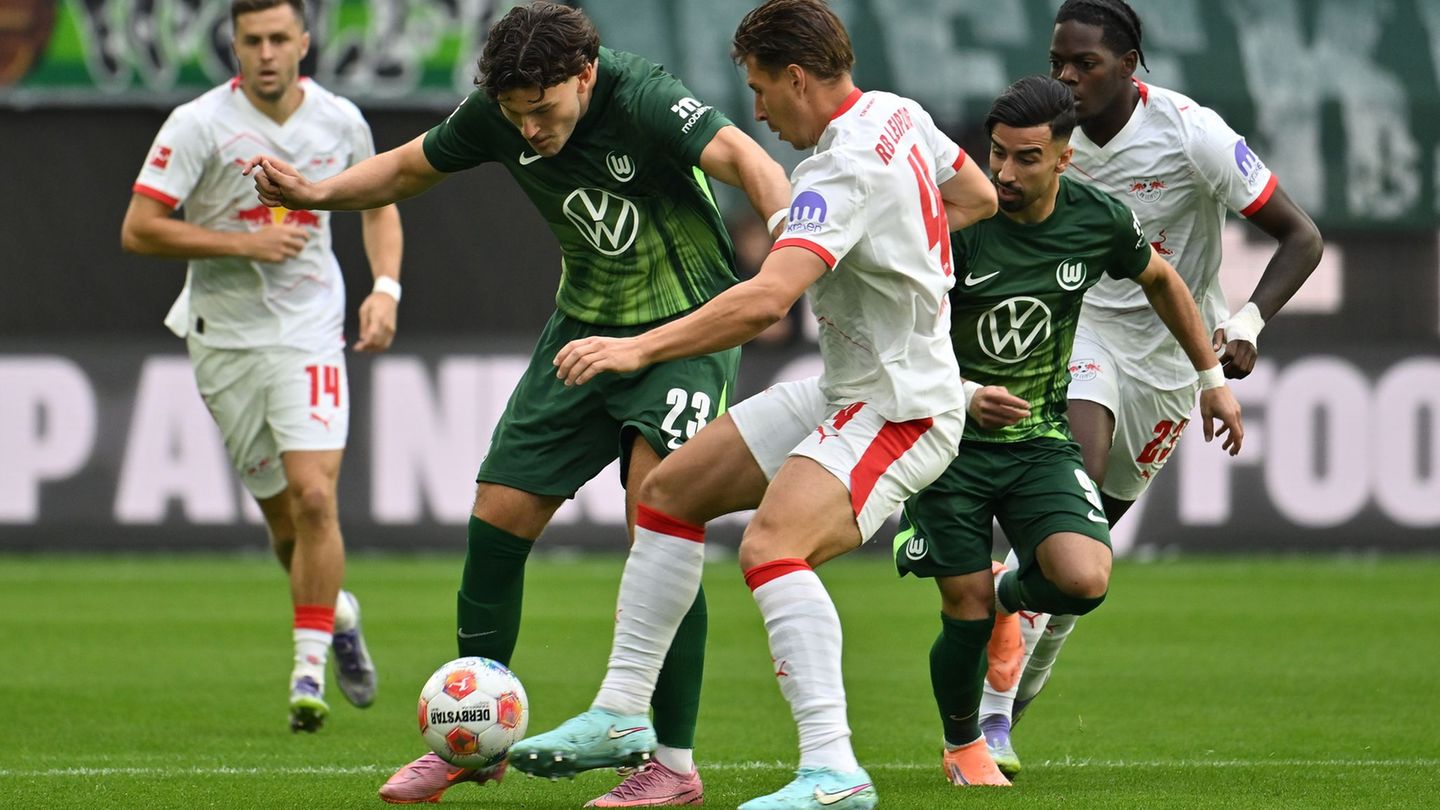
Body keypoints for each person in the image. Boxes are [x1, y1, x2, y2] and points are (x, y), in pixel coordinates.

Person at [245, 2, 794, 804]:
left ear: (585, 74)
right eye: (516, 117)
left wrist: (787, 227)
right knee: (497, 516)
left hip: (683, 334)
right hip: (582, 332)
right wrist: (316, 192)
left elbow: (742, 155)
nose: (530, 131)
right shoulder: (502, 114)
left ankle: (671, 766)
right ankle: (473, 744)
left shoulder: (640, 95)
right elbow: (407, 169)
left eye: (544, 111)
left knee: (662, 524)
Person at [508, 2, 998, 808]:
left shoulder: (839, 171)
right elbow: (974, 194)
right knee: (668, 496)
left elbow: (768, 301)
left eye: (762, 90)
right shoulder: (897, 114)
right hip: (851, 388)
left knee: (773, 549)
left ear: (798, 77)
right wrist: (901, 246)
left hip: (902, 407)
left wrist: (636, 348)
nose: (759, 111)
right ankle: (628, 719)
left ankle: (834, 771)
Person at [976, 0, 1325, 777]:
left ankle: (1010, 695)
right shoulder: (1047, 139)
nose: (1067, 78)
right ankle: (989, 715)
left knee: (1087, 554)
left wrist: (1248, 326)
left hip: (1173, 351)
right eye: (1058, 61)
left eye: (1085, 64)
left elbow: (1303, 237)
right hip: (1081, 328)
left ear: (1130, 64)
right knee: (1074, 488)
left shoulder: (1191, 133)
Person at [896, 75, 1243, 788]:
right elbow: (896, 333)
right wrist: (963, 394)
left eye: (1026, 158)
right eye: (996, 155)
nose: (1004, 174)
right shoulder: (954, 224)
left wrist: (1210, 379)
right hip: (947, 442)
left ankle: (1008, 594)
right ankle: (965, 747)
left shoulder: (1098, 219)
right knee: (960, 611)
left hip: (1036, 441)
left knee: (1084, 580)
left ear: (1063, 157)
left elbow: (1163, 281)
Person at [120, 0, 395, 733]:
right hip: (225, 339)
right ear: (234, 46)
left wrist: (385, 289)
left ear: (304, 41)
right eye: (253, 40)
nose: (268, 52)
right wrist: (241, 245)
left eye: (280, 38)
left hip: (310, 332)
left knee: (314, 498)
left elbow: (381, 202)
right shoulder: (199, 125)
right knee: (282, 523)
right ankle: (335, 612)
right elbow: (139, 230)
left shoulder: (339, 120)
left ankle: (308, 669)